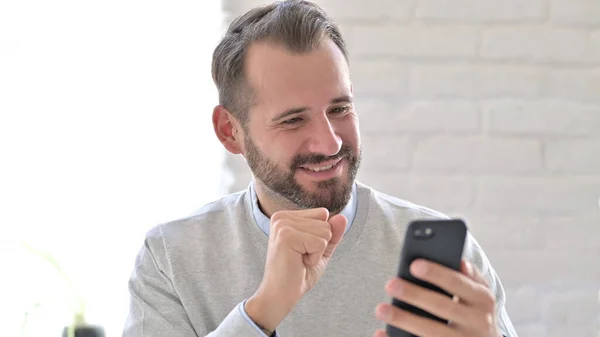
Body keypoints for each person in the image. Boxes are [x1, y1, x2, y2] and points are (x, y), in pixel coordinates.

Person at [122, 1, 518, 336]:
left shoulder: (449, 261)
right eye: (293, 120)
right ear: (231, 132)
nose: (330, 143)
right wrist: (261, 311)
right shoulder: (171, 258)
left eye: (340, 109)